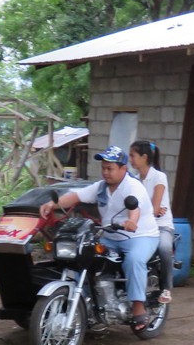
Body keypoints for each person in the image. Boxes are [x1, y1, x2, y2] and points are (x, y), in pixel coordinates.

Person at [39, 145, 160, 330]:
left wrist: (131, 221)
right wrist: (51, 204)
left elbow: (134, 208)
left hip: (140, 236)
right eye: (103, 168)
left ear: (123, 168)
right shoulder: (101, 187)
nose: (105, 172)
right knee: (83, 255)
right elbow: (76, 196)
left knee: (134, 260)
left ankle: (138, 307)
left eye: (110, 168)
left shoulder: (133, 186)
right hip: (110, 236)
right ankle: (89, 303)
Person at [129, 140, 174, 304]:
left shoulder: (159, 177)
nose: (130, 160)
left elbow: (155, 208)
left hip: (161, 226)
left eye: (132, 156)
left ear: (144, 157)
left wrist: (149, 211)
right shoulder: (134, 180)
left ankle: (166, 288)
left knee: (164, 248)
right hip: (141, 226)